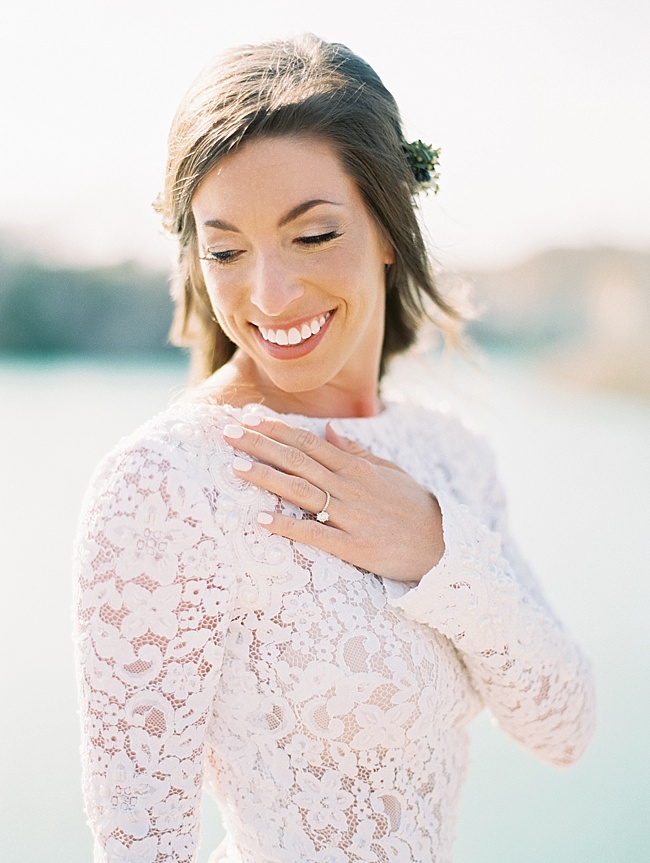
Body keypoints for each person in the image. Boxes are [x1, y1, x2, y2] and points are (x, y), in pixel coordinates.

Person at [72, 34, 595, 863]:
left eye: (312, 236)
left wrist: (439, 545)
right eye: (226, 250)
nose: (269, 294)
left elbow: (564, 726)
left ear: (389, 226)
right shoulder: (168, 481)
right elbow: (140, 845)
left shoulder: (451, 453)